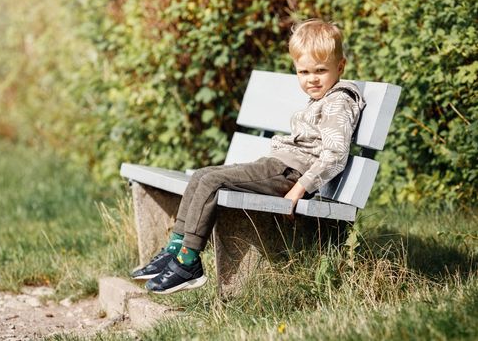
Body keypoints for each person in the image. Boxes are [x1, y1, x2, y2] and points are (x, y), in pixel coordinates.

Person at [131, 18, 366, 294]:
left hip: (289, 174)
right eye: (303, 72)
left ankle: (188, 263)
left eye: (320, 70)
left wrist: (301, 188)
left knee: (211, 182)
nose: (311, 79)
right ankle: (176, 250)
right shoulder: (324, 97)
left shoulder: (339, 101)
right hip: (280, 167)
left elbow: (335, 153)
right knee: (202, 175)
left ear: (340, 67)